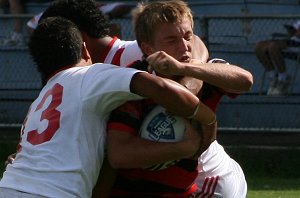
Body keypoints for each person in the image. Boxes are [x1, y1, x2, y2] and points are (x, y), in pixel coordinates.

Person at [0, 16, 217, 197]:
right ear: (86, 50)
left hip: (9, 185)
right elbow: (160, 87)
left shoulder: (40, 99)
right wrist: (208, 119)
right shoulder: (91, 74)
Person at [98, 0, 253, 197]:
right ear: (148, 48)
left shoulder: (202, 72)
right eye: (172, 40)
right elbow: (120, 154)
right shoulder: (134, 82)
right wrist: (184, 147)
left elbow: (245, 80)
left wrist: (185, 69)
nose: (185, 46)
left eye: (188, 37)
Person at [254, 20, 300, 96]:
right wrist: (291, 31)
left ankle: (283, 79)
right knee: (259, 47)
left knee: (274, 47)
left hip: (298, 44)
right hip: (291, 40)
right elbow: (293, 34)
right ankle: (273, 77)